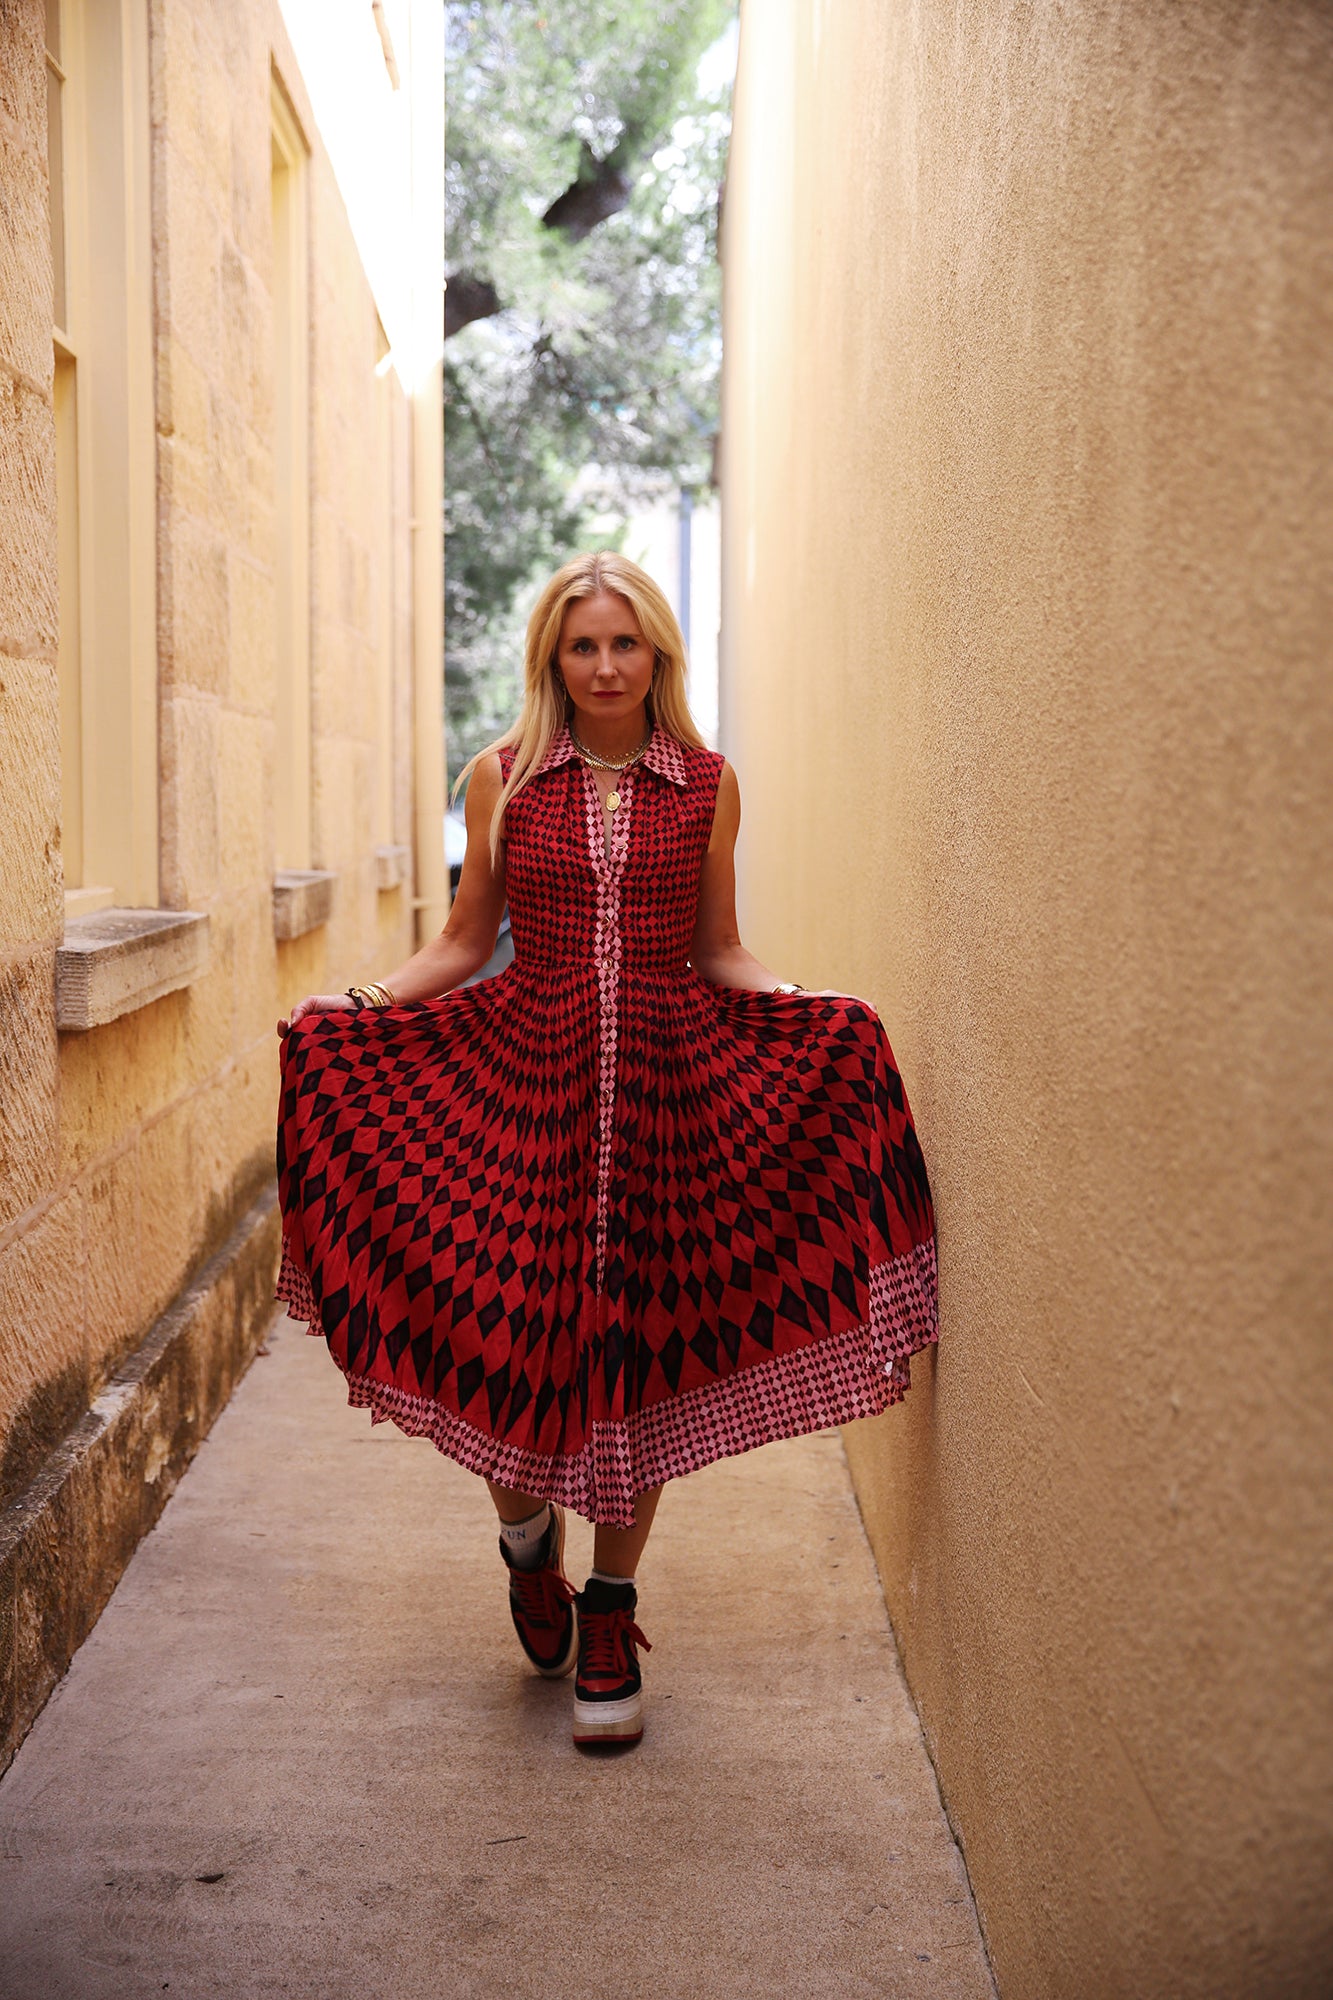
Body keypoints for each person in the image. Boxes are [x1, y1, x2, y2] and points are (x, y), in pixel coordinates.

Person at [275, 550, 938, 1750]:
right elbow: (466, 936)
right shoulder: (503, 779)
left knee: (641, 1346)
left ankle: (611, 1608)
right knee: (501, 1331)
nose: (604, 665)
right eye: (582, 646)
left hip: (667, 1096)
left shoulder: (705, 783)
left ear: (658, 655)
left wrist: (806, 1006)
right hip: (522, 1083)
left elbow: (719, 947)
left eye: (624, 644)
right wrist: (362, 1005)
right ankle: (531, 1542)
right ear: (553, 661)